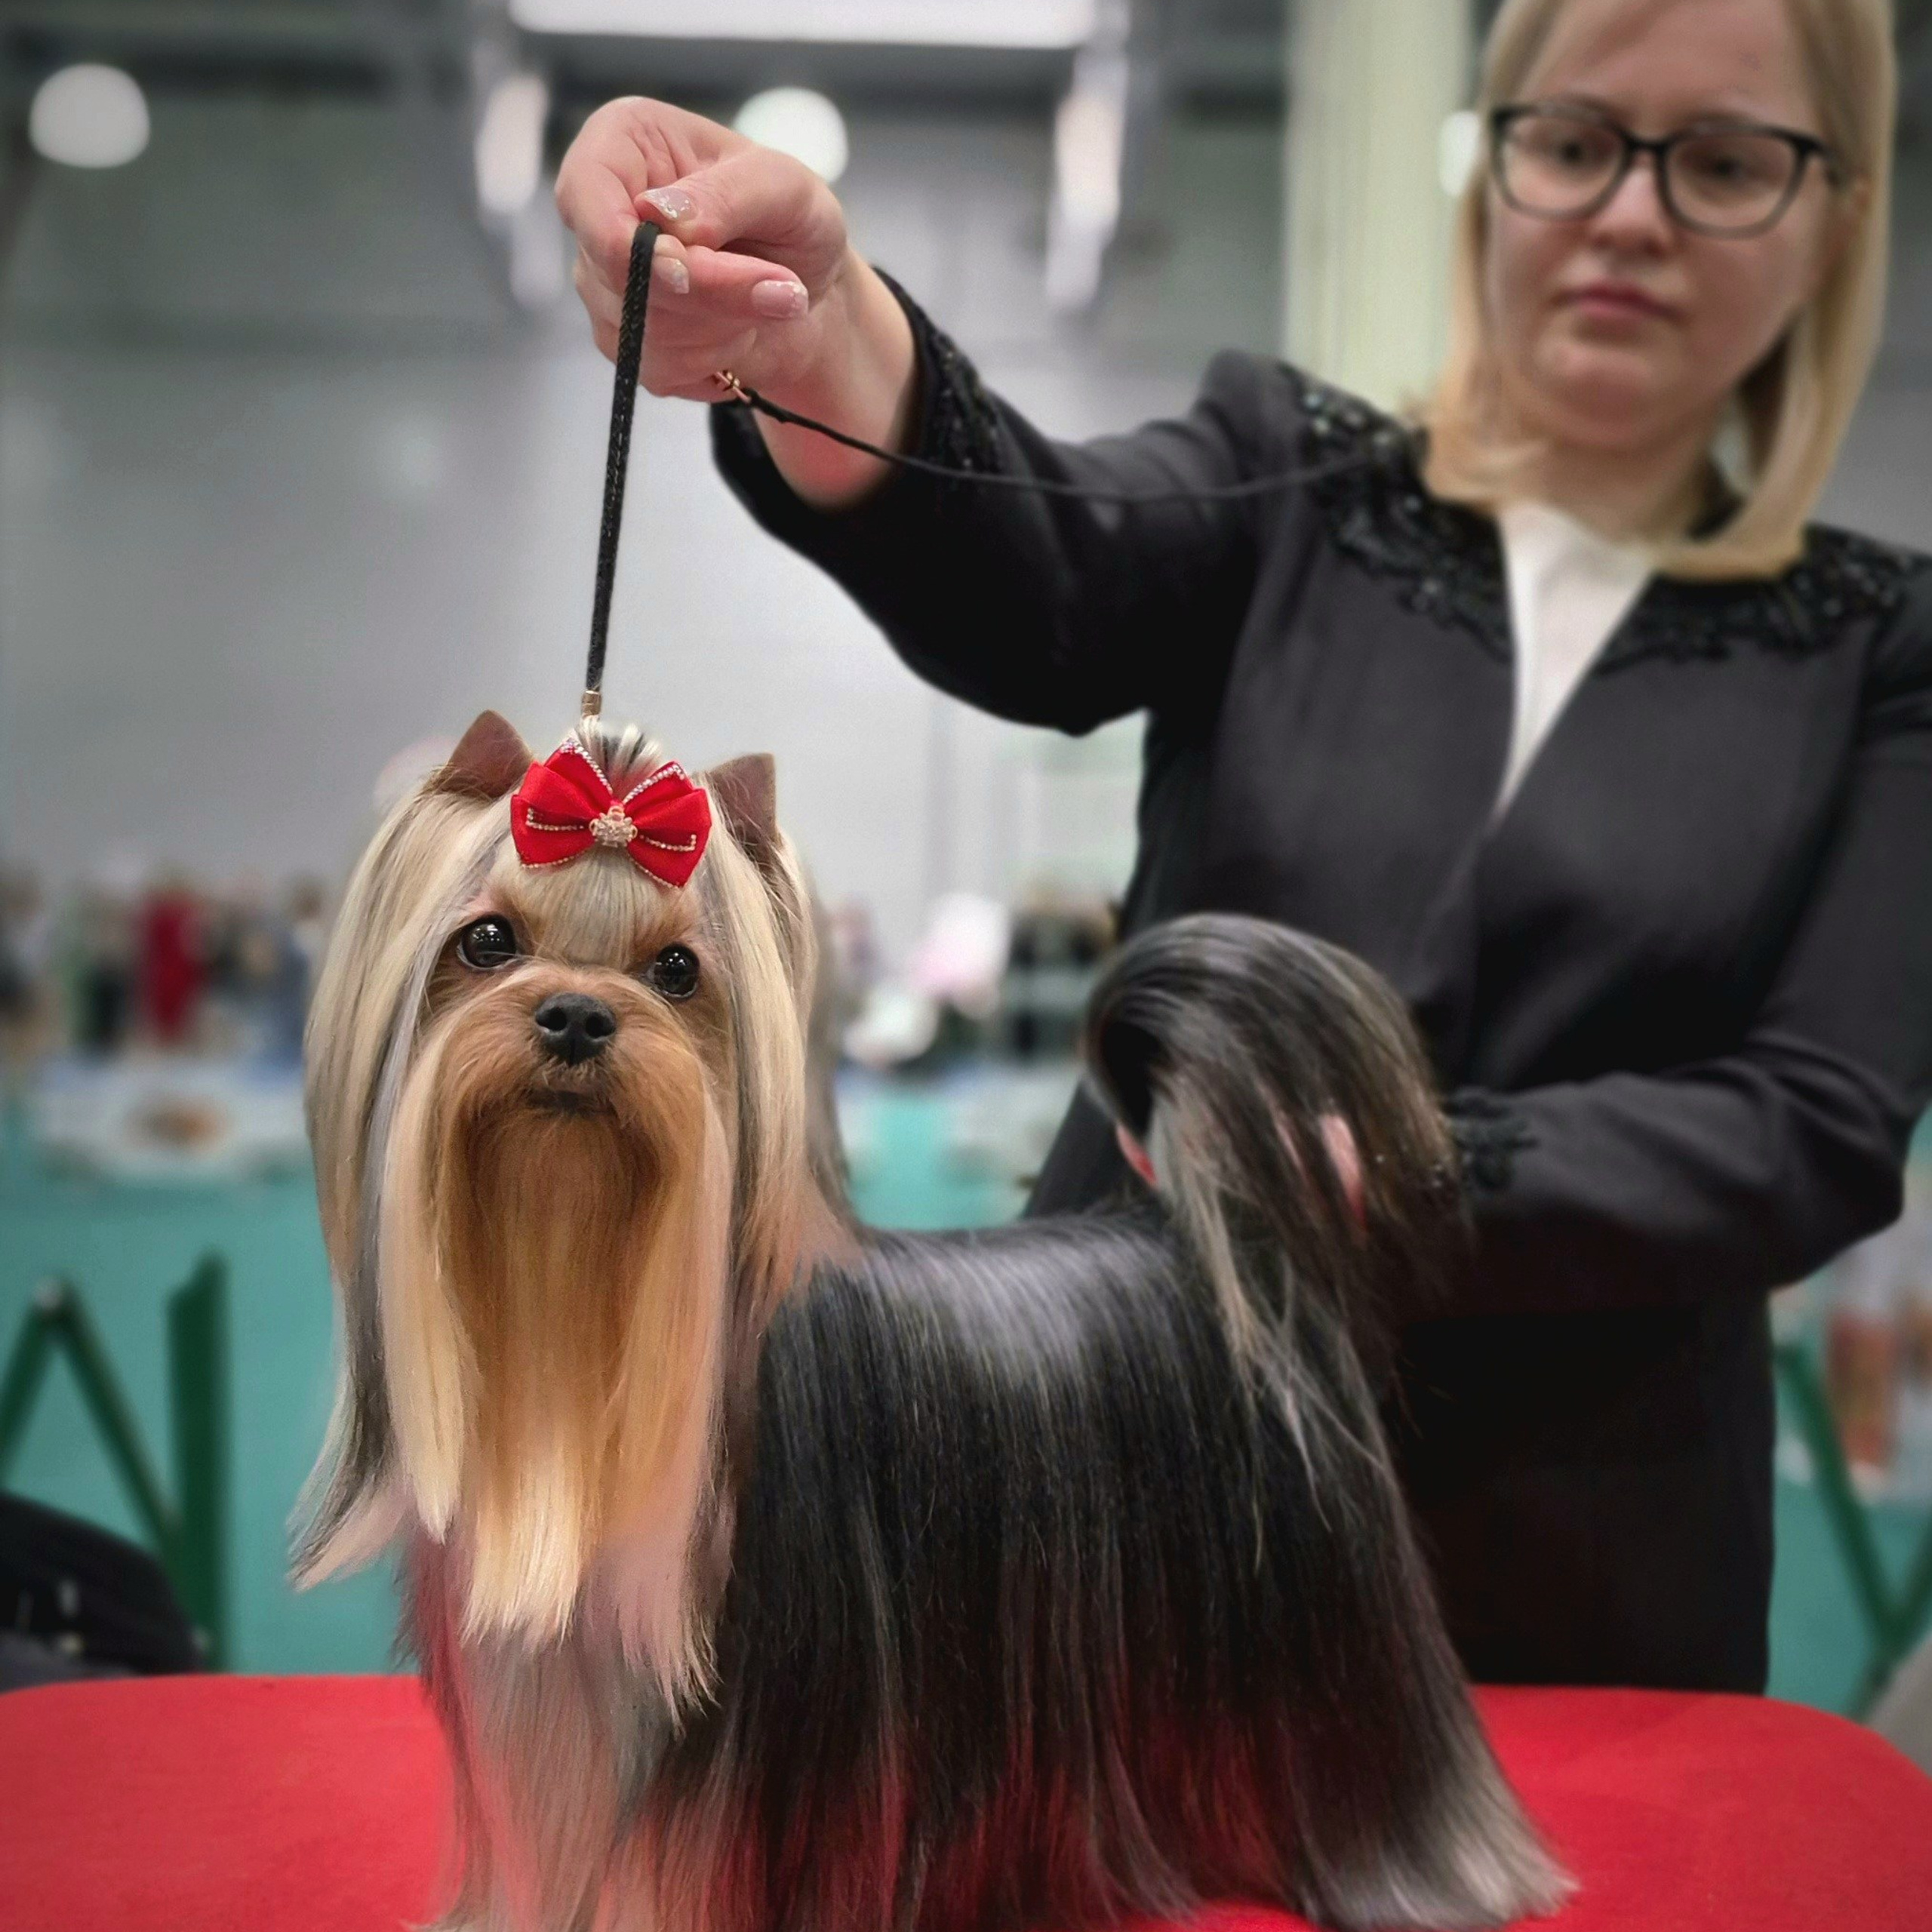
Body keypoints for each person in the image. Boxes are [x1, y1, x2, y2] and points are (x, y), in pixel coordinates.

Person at [556, 0, 1932, 1694]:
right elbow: (1037, 573)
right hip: (1107, 1529)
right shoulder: (1289, 475)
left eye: (1721, 162)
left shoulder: (1882, 649)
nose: (1629, 212)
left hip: (1561, 1605)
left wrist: (1395, 1175)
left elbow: (1808, 1123)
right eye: (1571, 143)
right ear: (1490, 174)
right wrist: (817, 323)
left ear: (1833, 217)